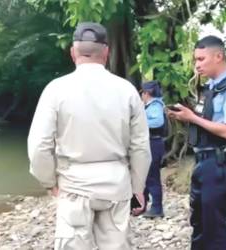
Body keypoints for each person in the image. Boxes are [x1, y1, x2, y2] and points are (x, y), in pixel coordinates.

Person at [27, 22, 152, 250]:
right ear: (106, 52)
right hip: (116, 184)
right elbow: (141, 147)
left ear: (73, 52)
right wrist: (138, 188)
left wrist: (49, 182)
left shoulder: (56, 89)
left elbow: (39, 145)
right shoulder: (127, 91)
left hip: (74, 186)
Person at [167, 35, 226, 250]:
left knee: (214, 227)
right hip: (203, 163)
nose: (197, 65)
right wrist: (186, 116)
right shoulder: (211, 88)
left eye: (201, 59)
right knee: (199, 223)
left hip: (220, 164)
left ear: (219, 56)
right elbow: (208, 121)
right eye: (196, 60)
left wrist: (192, 118)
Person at [140, 81, 165, 218]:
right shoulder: (151, 106)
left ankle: (157, 207)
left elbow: (157, 122)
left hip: (153, 143)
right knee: (145, 175)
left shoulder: (155, 106)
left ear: (146, 93)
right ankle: (142, 204)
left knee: (152, 176)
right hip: (150, 143)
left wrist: (139, 124)